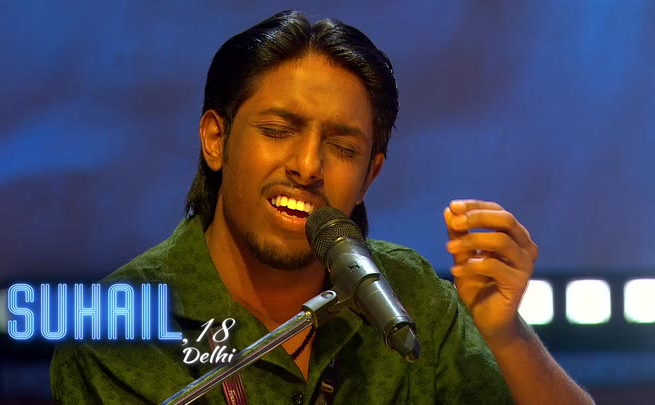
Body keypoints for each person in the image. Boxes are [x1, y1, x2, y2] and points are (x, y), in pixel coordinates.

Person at [50, 10, 594, 404]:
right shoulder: (116, 337)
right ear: (216, 140)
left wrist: (507, 334)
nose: (308, 166)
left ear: (370, 175)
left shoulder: (413, 298)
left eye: (342, 147)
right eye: (278, 130)